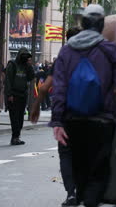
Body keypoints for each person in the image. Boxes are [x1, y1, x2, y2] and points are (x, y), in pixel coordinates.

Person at [50, 4, 116, 207]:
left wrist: (57, 120)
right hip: (103, 122)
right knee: (98, 173)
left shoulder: (66, 51)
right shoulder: (110, 50)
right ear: (101, 25)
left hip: (72, 120)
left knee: (75, 166)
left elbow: (59, 88)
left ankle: (75, 194)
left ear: (82, 23)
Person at [30, 27, 81, 206]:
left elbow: (44, 87)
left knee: (66, 154)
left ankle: (71, 194)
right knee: (84, 153)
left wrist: (35, 107)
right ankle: (84, 191)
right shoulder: (93, 56)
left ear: (67, 40)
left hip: (66, 114)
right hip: (90, 114)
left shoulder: (63, 58)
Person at [5, 47, 34, 145]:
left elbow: (31, 77)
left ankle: (17, 136)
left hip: (22, 94)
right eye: (24, 56)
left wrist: (30, 66)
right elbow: (8, 80)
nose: (25, 58)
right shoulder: (12, 65)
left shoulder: (26, 66)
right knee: (14, 117)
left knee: (20, 117)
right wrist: (9, 94)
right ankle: (14, 137)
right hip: (13, 94)